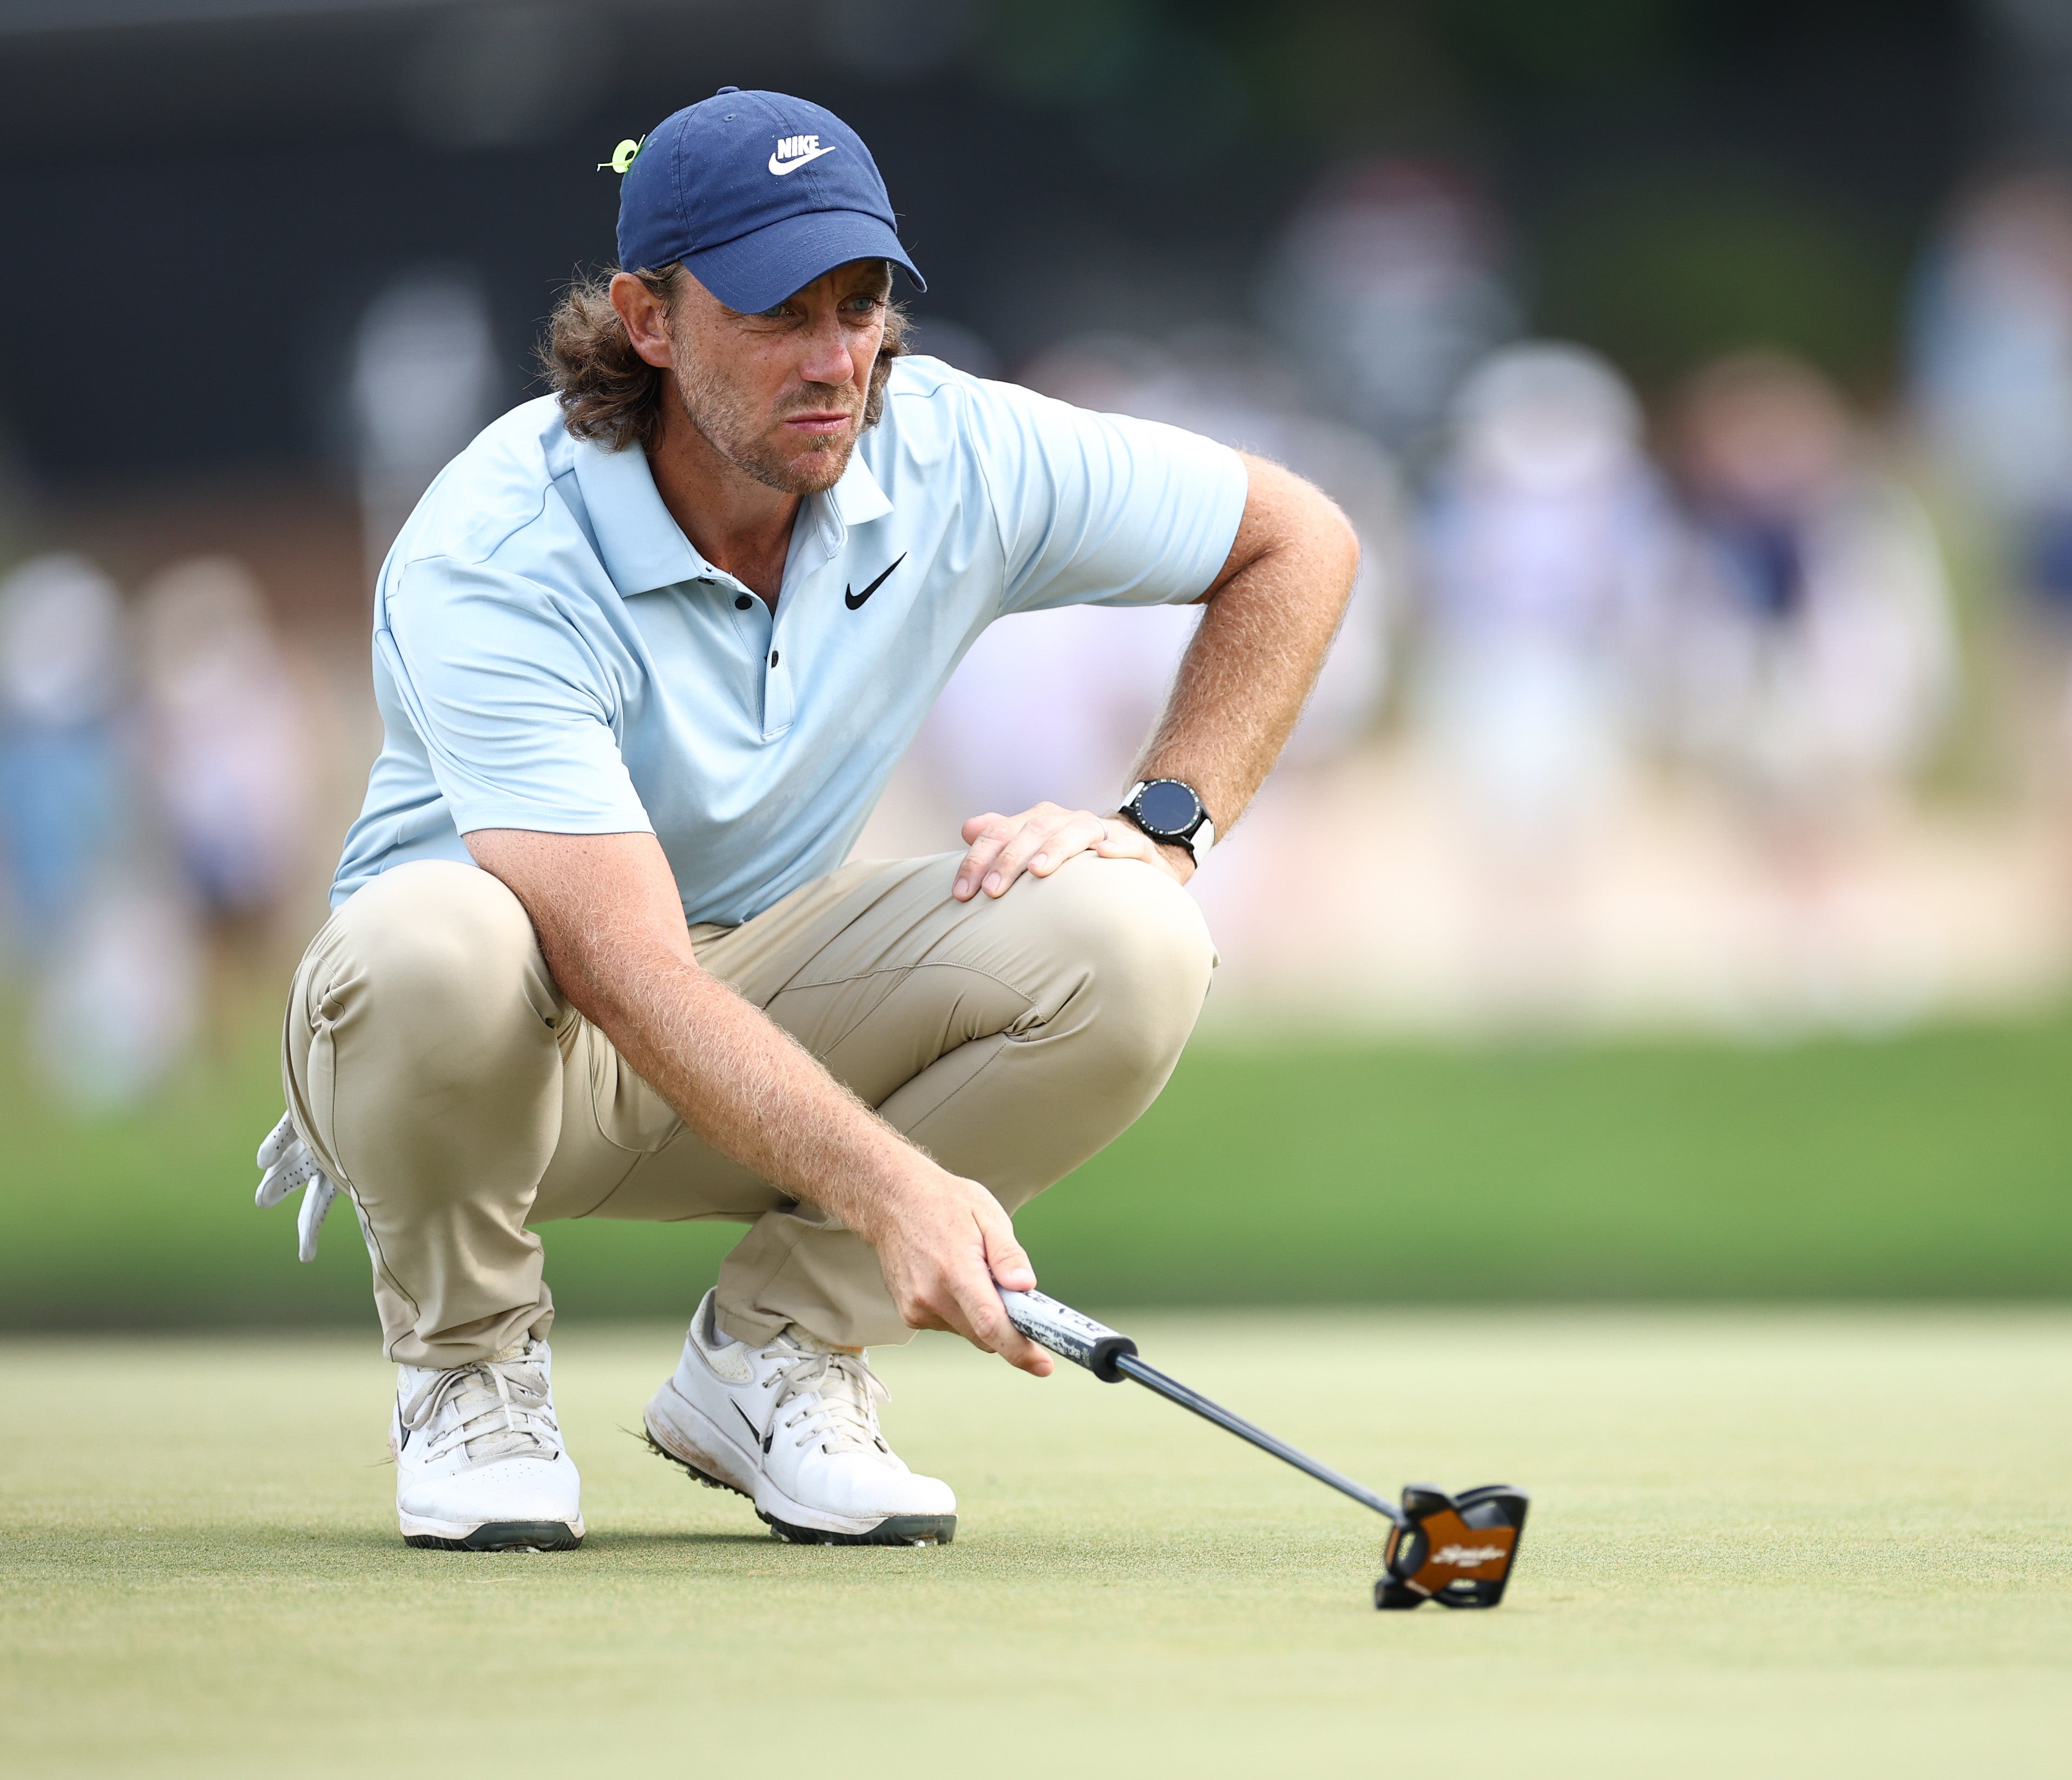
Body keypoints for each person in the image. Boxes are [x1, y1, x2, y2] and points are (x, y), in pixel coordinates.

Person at [251, 88, 1357, 1554]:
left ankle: (773, 1360)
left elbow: (1299, 540)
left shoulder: (952, 449)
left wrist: (1163, 826)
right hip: (474, 1058)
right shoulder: (498, 545)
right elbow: (621, 966)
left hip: (740, 1003)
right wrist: (898, 1188)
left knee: (1134, 934)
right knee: (434, 945)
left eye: (862, 305)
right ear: (650, 319)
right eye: (782, 314)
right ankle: (469, 1373)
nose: (839, 360)